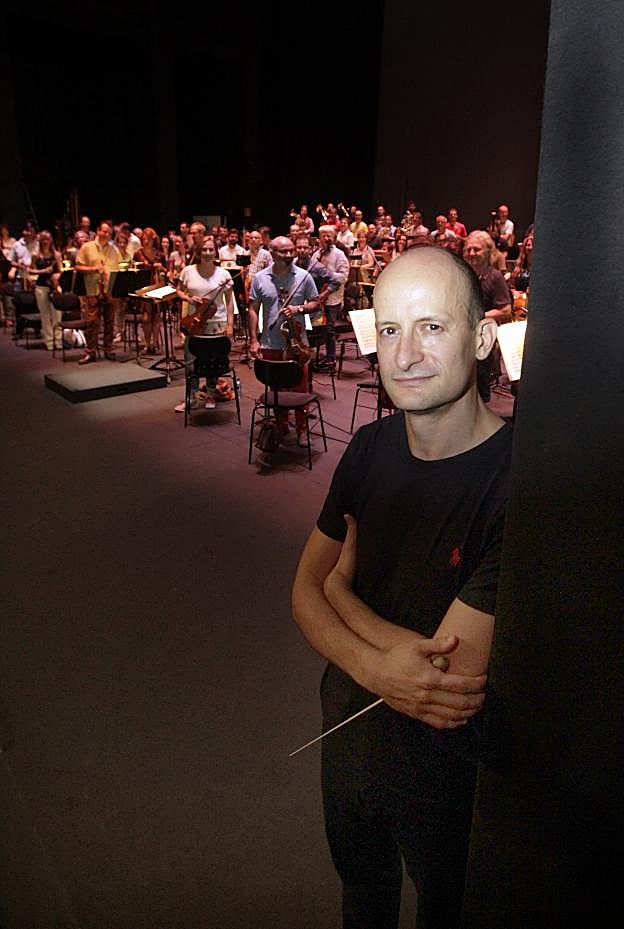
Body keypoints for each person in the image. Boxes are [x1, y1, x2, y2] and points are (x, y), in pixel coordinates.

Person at [291, 246, 511, 929]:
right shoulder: (367, 448)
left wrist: (342, 596)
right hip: (349, 742)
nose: (405, 352)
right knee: (363, 895)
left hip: (449, 770)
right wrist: (375, 663)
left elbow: (441, 674)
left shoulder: (519, 484)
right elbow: (302, 588)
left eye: (431, 326)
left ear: (481, 336)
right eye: (389, 329)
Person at [248, 235, 321, 445]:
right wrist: (254, 339)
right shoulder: (260, 278)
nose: (289, 255)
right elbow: (253, 310)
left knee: (300, 389)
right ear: (272, 253)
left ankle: (302, 428)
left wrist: (299, 308)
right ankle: (281, 424)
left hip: (297, 343)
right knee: (277, 388)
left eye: (291, 251)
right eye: (283, 252)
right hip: (271, 343)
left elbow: (315, 303)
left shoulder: (304, 276)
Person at [174, 237, 234, 412]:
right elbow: (178, 290)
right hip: (194, 321)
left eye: (210, 250)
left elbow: (229, 302)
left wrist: (230, 324)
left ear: (215, 251)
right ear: (198, 253)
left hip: (217, 322)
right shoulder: (187, 271)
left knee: (212, 360)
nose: (207, 253)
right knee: (190, 360)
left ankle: (210, 394)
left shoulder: (224, 274)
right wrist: (187, 297)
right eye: (204, 250)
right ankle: (190, 397)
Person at [74, 220, 121, 364]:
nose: (106, 234)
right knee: (92, 322)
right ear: (98, 231)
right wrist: (95, 269)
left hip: (109, 290)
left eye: (109, 232)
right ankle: (91, 352)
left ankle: (108, 349)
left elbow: (118, 268)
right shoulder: (87, 247)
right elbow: (78, 267)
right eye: (104, 231)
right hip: (93, 289)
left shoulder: (113, 249)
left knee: (109, 321)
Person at [312, 225, 350, 364]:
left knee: (329, 329)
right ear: (319, 238)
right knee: (318, 327)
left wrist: (327, 274)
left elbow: (344, 277)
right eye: (324, 236)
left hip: (332, 298)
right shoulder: (316, 254)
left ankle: (331, 359)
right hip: (318, 296)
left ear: (334, 238)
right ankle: (318, 355)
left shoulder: (339, 254)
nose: (327, 238)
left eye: (330, 236)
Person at [31, 229, 62, 350]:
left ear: (51, 240)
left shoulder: (57, 255)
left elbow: (60, 271)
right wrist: (42, 271)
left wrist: (56, 276)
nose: (45, 242)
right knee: (45, 315)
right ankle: (49, 342)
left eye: (47, 239)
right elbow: (30, 270)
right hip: (41, 287)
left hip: (54, 287)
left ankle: (58, 341)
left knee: (57, 315)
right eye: (43, 239)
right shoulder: (36, 255)